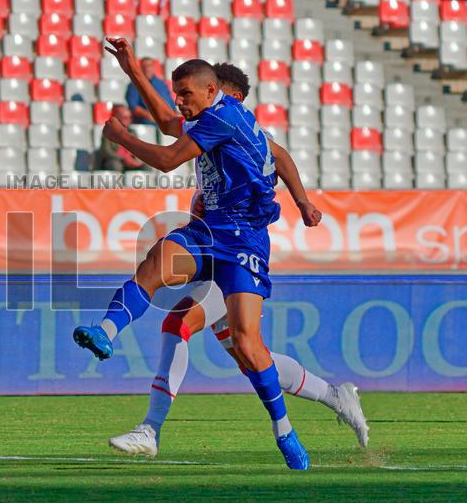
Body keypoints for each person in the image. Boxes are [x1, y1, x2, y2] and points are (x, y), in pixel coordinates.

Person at [106, 62, 369, 458]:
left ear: (229, 97)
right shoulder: (207, 125)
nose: (193, 107)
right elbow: (166, 121)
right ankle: (335, 396)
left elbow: (280, 156)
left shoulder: (240, 127)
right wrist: (133, 70)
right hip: (211, 242)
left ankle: (150, 429)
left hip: (234, 248)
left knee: (182, 324)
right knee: (251, 356)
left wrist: (302, 202)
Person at [73, 40, 310, 469]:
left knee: (246, 343)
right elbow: (169, 122)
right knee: (153, 267)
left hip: (244, 241)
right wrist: (132, 70)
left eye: (185, 94)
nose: (180, 102)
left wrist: (123, 138)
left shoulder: (225, 118)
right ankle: (105, 331)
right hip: (208, 228)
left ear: (212, 91)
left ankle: (284, 430)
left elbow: (167, 159)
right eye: (177, 93)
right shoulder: (211, 116)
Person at [92, 105, 148, 172]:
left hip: (129, 160)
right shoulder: (109, 131)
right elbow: (106, 151)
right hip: (115, 160)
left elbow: (136, 149)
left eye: (130, 117)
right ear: (117, 118)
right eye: (125, 118)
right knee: (116, 165)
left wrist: (135, 160)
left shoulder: (132, 132)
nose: (128, 120)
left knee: (146, 165)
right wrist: (122, 159)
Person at [125, 58, 176, 125]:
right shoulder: (134, 85)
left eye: (149, 65)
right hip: (147, 122)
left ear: (153, 67)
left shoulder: (161, 84)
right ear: (140, 68)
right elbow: (133, 107)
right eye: (144, 66)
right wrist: (149, 115)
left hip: (167, 120)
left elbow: (171, 104)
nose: (147, 68)